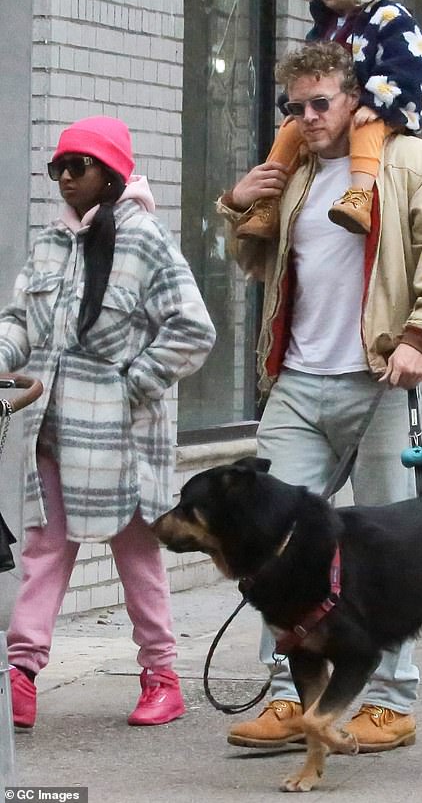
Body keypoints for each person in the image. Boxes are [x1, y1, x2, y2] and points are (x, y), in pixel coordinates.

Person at [216, 42, 422, 752]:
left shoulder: (414, 164)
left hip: (381, 380)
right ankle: (287, 694)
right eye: (293, 107)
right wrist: (237, 205)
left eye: (319, 103)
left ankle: (390, 700)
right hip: (298, 382)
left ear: (355, 97)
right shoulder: (296, 172)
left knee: (391, 544)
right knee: (270, 542)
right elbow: (258, 261)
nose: (306, 118)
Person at [0, 116, 216, 728]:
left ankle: (162, 676)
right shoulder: (49, 241)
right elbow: (19, 320)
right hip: (50, 428)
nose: (65, 179)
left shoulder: (143, 238)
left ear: (112, 173)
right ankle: (20, 676)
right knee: (44, 550)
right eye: (58, 168)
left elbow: (193, 328)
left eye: (79, 166)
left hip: (121, 438)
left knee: (137, 554)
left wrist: (131, 382)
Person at [237, 0, 422, 240]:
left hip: (389, 103)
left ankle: (360, 195)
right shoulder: (328, 25)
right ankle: (267, 202)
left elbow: (406, 64)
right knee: (289, 131)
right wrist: (294, 104)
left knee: (365, 127)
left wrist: (375, 102)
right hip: (345, 105)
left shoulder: (391, 17)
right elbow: (308, 70)